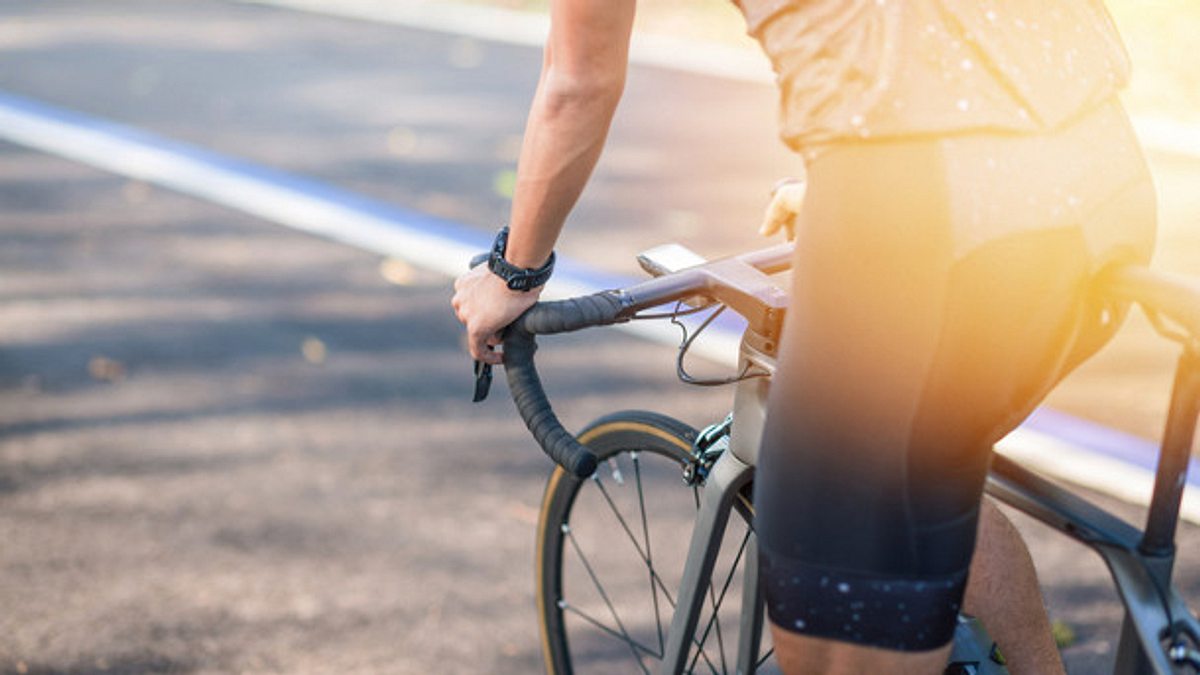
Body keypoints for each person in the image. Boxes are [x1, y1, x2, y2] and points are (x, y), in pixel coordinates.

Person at [451, 1, 1156, 673]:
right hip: (1102, 181)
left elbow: (580, 78)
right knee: (929, 465)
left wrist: (513, 272)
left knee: (848, 594)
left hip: (923, 213)